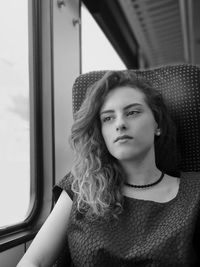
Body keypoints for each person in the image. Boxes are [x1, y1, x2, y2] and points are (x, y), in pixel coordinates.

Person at [17, 70, 200, 267]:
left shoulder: (195, 191)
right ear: (101, 133)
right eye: (108, 118)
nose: (120, 124)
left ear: (157, 124)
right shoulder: (80, 186)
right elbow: (34, 261)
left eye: (132, 112)